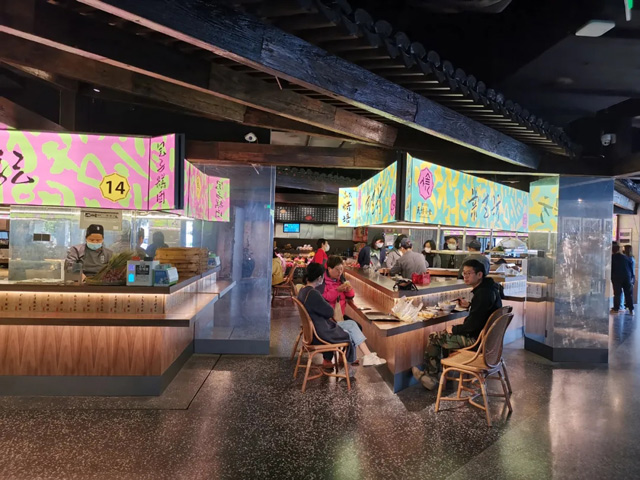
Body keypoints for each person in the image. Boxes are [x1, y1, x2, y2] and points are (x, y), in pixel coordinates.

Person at [412, 259, 503, 390]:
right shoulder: (490, 289)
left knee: (435, 337)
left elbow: (473, 326)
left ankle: (431, 377)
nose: (465, 276)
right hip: (490, 342)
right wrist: (470, 305)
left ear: (479, 275)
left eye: (469, 273)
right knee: (445, 335)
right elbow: (483, 313)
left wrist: (454, 329)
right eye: (464, 273)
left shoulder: (482, 294)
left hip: (476, 340)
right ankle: (443, 375)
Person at [298, 263, 386, 369]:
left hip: (314, 330)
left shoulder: (303, 291)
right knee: (352, 328)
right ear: (319, 277)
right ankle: (365, 357)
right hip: (321, 333)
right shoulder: (313, 294)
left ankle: (367, 356)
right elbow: (329, 312)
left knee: (352, 325)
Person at [611, 244, 634, 314]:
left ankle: (616, 309)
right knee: (628, 294)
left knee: (617, 293)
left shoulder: (612, 258)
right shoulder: (625, 257)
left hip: (617, 277)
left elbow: (611, 268)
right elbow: (630, 268)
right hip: (627, 277)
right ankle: (631, 309)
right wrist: (631, 277)